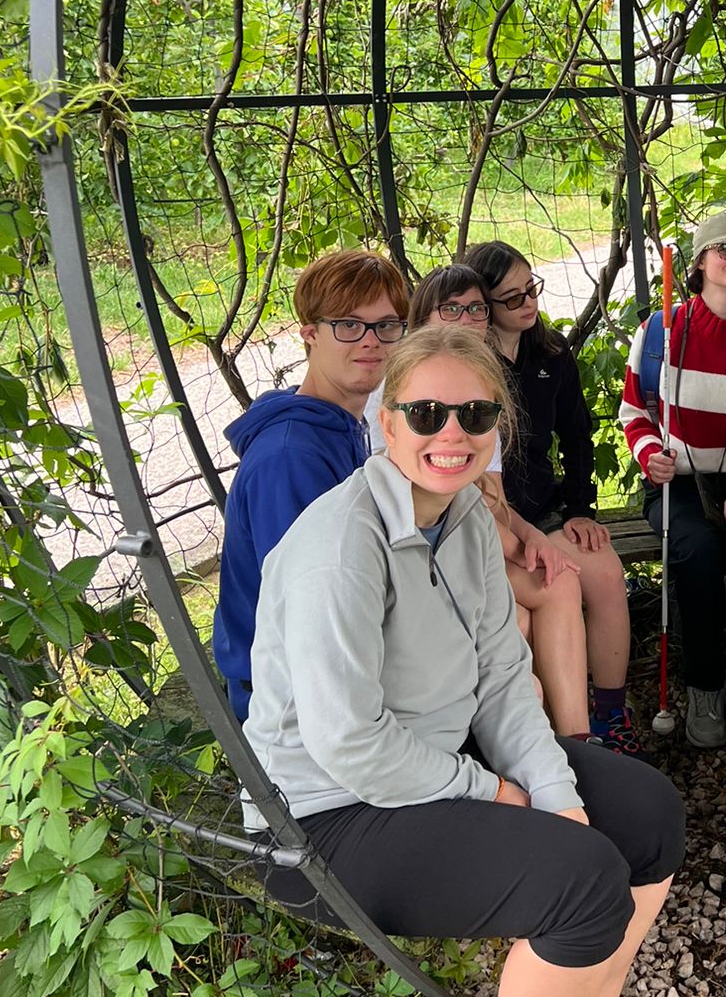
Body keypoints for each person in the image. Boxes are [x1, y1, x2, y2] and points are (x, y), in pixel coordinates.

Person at [243, 324, 692, 997]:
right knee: (579, 882)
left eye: (475, 414)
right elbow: (349, 743)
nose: (452, 432)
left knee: (645, 813)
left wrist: (555, 793)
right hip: (324, 818)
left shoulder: (464, 523)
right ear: (385, 422)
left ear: (497, 427)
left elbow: (502, 683)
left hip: (433, 763)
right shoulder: (342, 545)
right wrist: (493, 791)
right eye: (426, 413)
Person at [213, 249, 409, 722]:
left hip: (339, 662)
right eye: (348, 324)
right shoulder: (290, 457)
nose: (371, 341)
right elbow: (313, 614)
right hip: (292, 702)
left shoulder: (339, 424)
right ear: (310, 334)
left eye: (386, 325)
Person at [618, 211, 726, 749]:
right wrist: (651, 457)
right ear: (699, 262)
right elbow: (634, 412)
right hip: (680, 484)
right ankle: (704, 687)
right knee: (695, 551)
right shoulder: (658, 332)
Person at [466, 240, 638, 753]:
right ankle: (559, 724)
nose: (528, 303)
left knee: (605, 572)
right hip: (493, 519)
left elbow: (577, 435)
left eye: (531, 288)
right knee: (552, 582)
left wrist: (581, 509)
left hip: (544, 509)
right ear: (484, 305)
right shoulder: (470, 368)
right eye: (512, 297)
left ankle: (610, 713)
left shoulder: (552, 353)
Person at [409, 264, 594, 740]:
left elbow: (490, 497)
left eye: (475, 308)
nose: (468, 319)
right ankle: (537, 746)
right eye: (452, 309)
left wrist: (531, 538)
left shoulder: (478, 386)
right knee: (521, 616)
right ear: (424, 318)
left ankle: (576, 740)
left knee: (557, 578)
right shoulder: (409, 388)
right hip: (425, 556)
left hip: (472, 543)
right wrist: (515, 545)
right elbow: (447, 501)